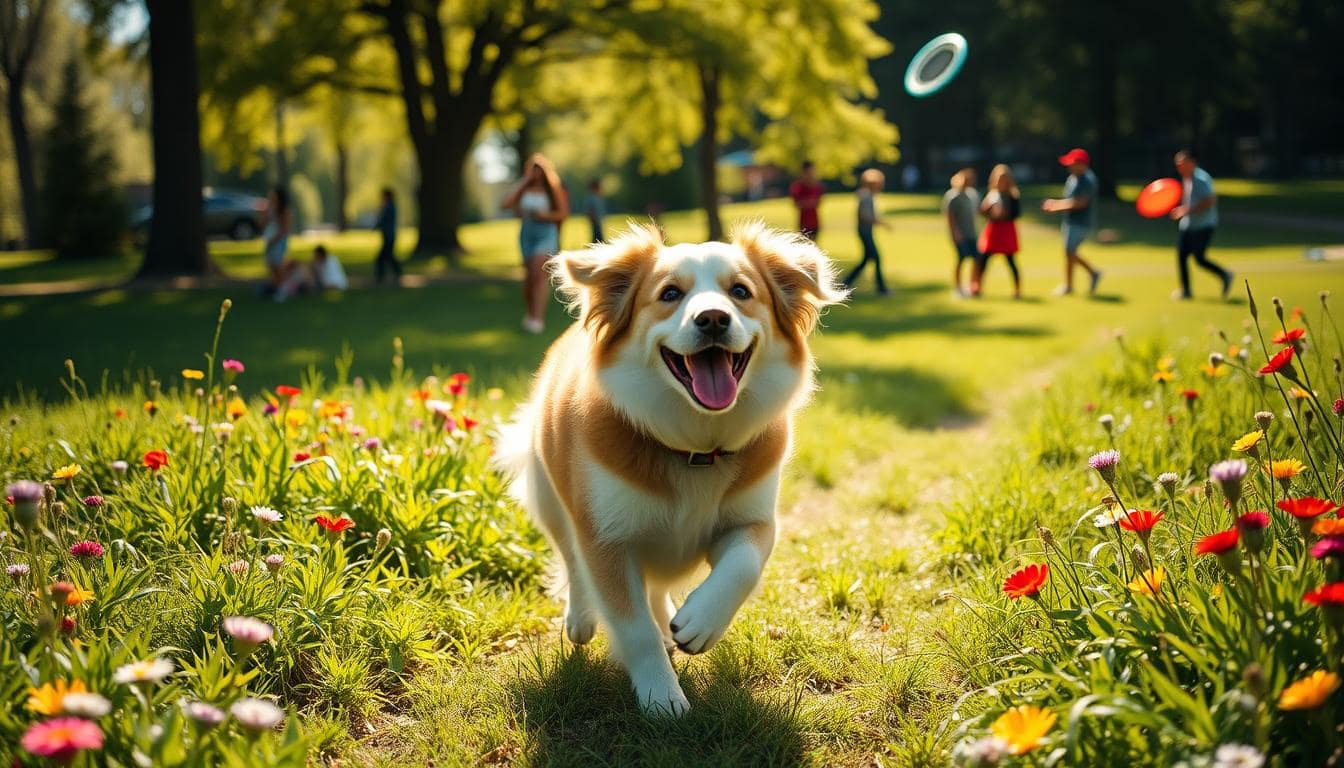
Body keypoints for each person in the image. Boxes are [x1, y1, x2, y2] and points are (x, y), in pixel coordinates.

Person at [502, 153, 569, 334]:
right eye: (533, 169)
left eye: (539, 169)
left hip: (546, 232)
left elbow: (562, 213)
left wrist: (544, 216)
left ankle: (538, 319)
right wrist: (524, 182)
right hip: (527, 233)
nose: (536, 173)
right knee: (529, 277)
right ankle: (530, 314)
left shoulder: (552, 189)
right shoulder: (524, 189)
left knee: (539, 274)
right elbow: (505, 204)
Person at [1170, 149, 1231, 300]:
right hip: (1188, 225)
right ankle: (1186, 291)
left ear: (1191, 163)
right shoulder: (1187, 178)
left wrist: (1187, 210)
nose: (1178, 168)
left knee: (1199, 258)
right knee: (1182, 256)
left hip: (1204, 225)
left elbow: (1210, 201)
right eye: (1177, 165)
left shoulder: (1201, 179)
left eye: (1181, 164)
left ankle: (1224, 274)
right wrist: (1183, 210)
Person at [1041, 148, 1102, 296]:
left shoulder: (1087, 180)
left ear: (1081, 164)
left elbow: (1081, 203)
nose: (1069, 167)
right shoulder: (1073, 178)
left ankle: (1078, 281)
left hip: (1081, 223)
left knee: (1070, 252)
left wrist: (1056, 206)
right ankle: (1081, 279)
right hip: (1071, 221)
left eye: (1072, 163)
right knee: (1069, 253)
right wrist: (1056, 204)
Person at [973, 164, 1023, 299]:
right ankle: (977, 286)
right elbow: (982, 212)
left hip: (1006, 230)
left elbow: (1016, 214)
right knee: (983, 259)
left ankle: (1017, 290)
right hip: (994, 230)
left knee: (1011, 261)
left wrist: (1004, 214)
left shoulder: (1013, 196)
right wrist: (987, 209)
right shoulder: (992, 195)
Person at [841, 169, 892, 295]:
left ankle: (845, 284)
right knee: (877, 259)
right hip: (865, 232)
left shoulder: (868, 196)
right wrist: (880, 222)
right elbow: (863, 215)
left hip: (866, 232)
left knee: (865, 261)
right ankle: (882, 289)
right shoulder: (866, 197)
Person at [941, 168, 981, 297]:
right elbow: (950, 217)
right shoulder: (953, 196)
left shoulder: (973, 194)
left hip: (972, 233)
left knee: (976, 259)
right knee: (961, 259)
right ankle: (958, 287)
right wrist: (956, 234)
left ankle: (973, 285)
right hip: (960, 235)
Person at [275, 244, 348, 301]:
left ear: (320, 255)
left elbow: (328, 282)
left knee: (302, 271)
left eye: (316, 255)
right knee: (300, 268)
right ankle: (285, 286)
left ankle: (285, 288)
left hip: (327, 285)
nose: (314, 257)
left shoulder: (326, 263)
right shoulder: (329, 260)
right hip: (326, 284)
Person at [260, 186, 293, 296]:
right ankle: (276, 288)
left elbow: (285, 230)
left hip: (279, 242)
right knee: (271, 266)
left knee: (278, 266)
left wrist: (275, 240)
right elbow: (262, 224)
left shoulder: (285, 211)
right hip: (270, 241)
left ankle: (283, 290)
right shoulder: (270, 210)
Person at [789, 160, 824, 240]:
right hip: (804, 223)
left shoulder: (817, 186)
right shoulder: (797, 187)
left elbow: (817, 202)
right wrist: (809, 203)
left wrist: (806, 202)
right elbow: (797, 204)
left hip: (815, 222)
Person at [374, 188, 401, 285]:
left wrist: (375, 227)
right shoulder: (389, 206)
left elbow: (383, 219)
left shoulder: (389, 207)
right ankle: (396, 272)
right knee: (388, 256)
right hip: (388, 235)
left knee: (382, 257)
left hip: (388, 236)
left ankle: (381, 276)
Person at [585, 179, 607, 243]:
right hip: (595, 220)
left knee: (598, 234)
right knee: (597, 234)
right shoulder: (592, 198)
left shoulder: (598, 197)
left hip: (598, 219)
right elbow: (590, 210)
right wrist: (593, 217)